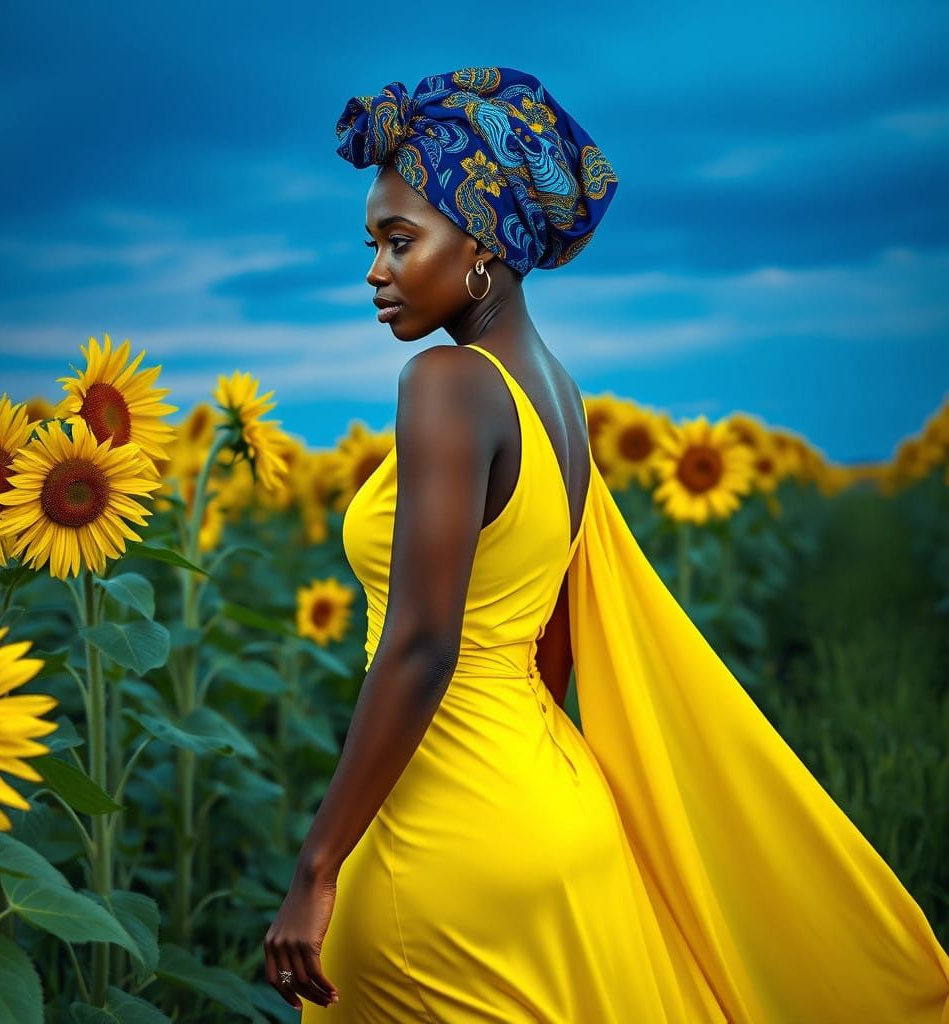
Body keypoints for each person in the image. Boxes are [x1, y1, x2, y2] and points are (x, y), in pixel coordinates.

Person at [263, 66, 949, 1022]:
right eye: (372, 242)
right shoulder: (557, 395)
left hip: (448, 838)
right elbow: (550, 634)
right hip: (549, 803)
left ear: (484, 245)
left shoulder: (447, 384)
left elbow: (422, 644)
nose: (374, 270)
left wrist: (315, 866)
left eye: (398, 239)